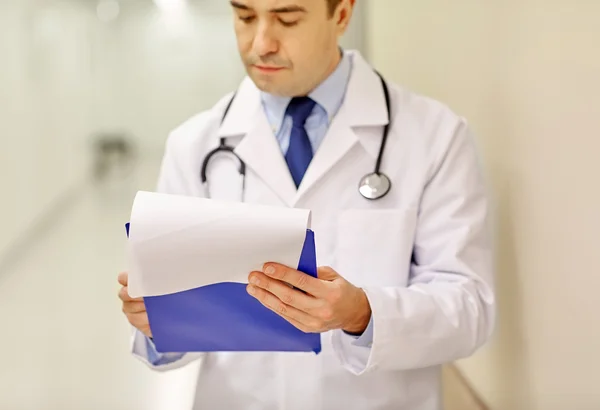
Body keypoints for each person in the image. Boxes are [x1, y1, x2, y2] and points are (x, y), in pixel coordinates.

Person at [117, 0, 495, 409]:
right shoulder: (194, 145)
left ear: (343, 15)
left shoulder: (434, 136)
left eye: (287, 18)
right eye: (245, 17)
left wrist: (363, 314)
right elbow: (179, 332)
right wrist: (159, 324)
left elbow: (470, 308)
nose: (260, 43)